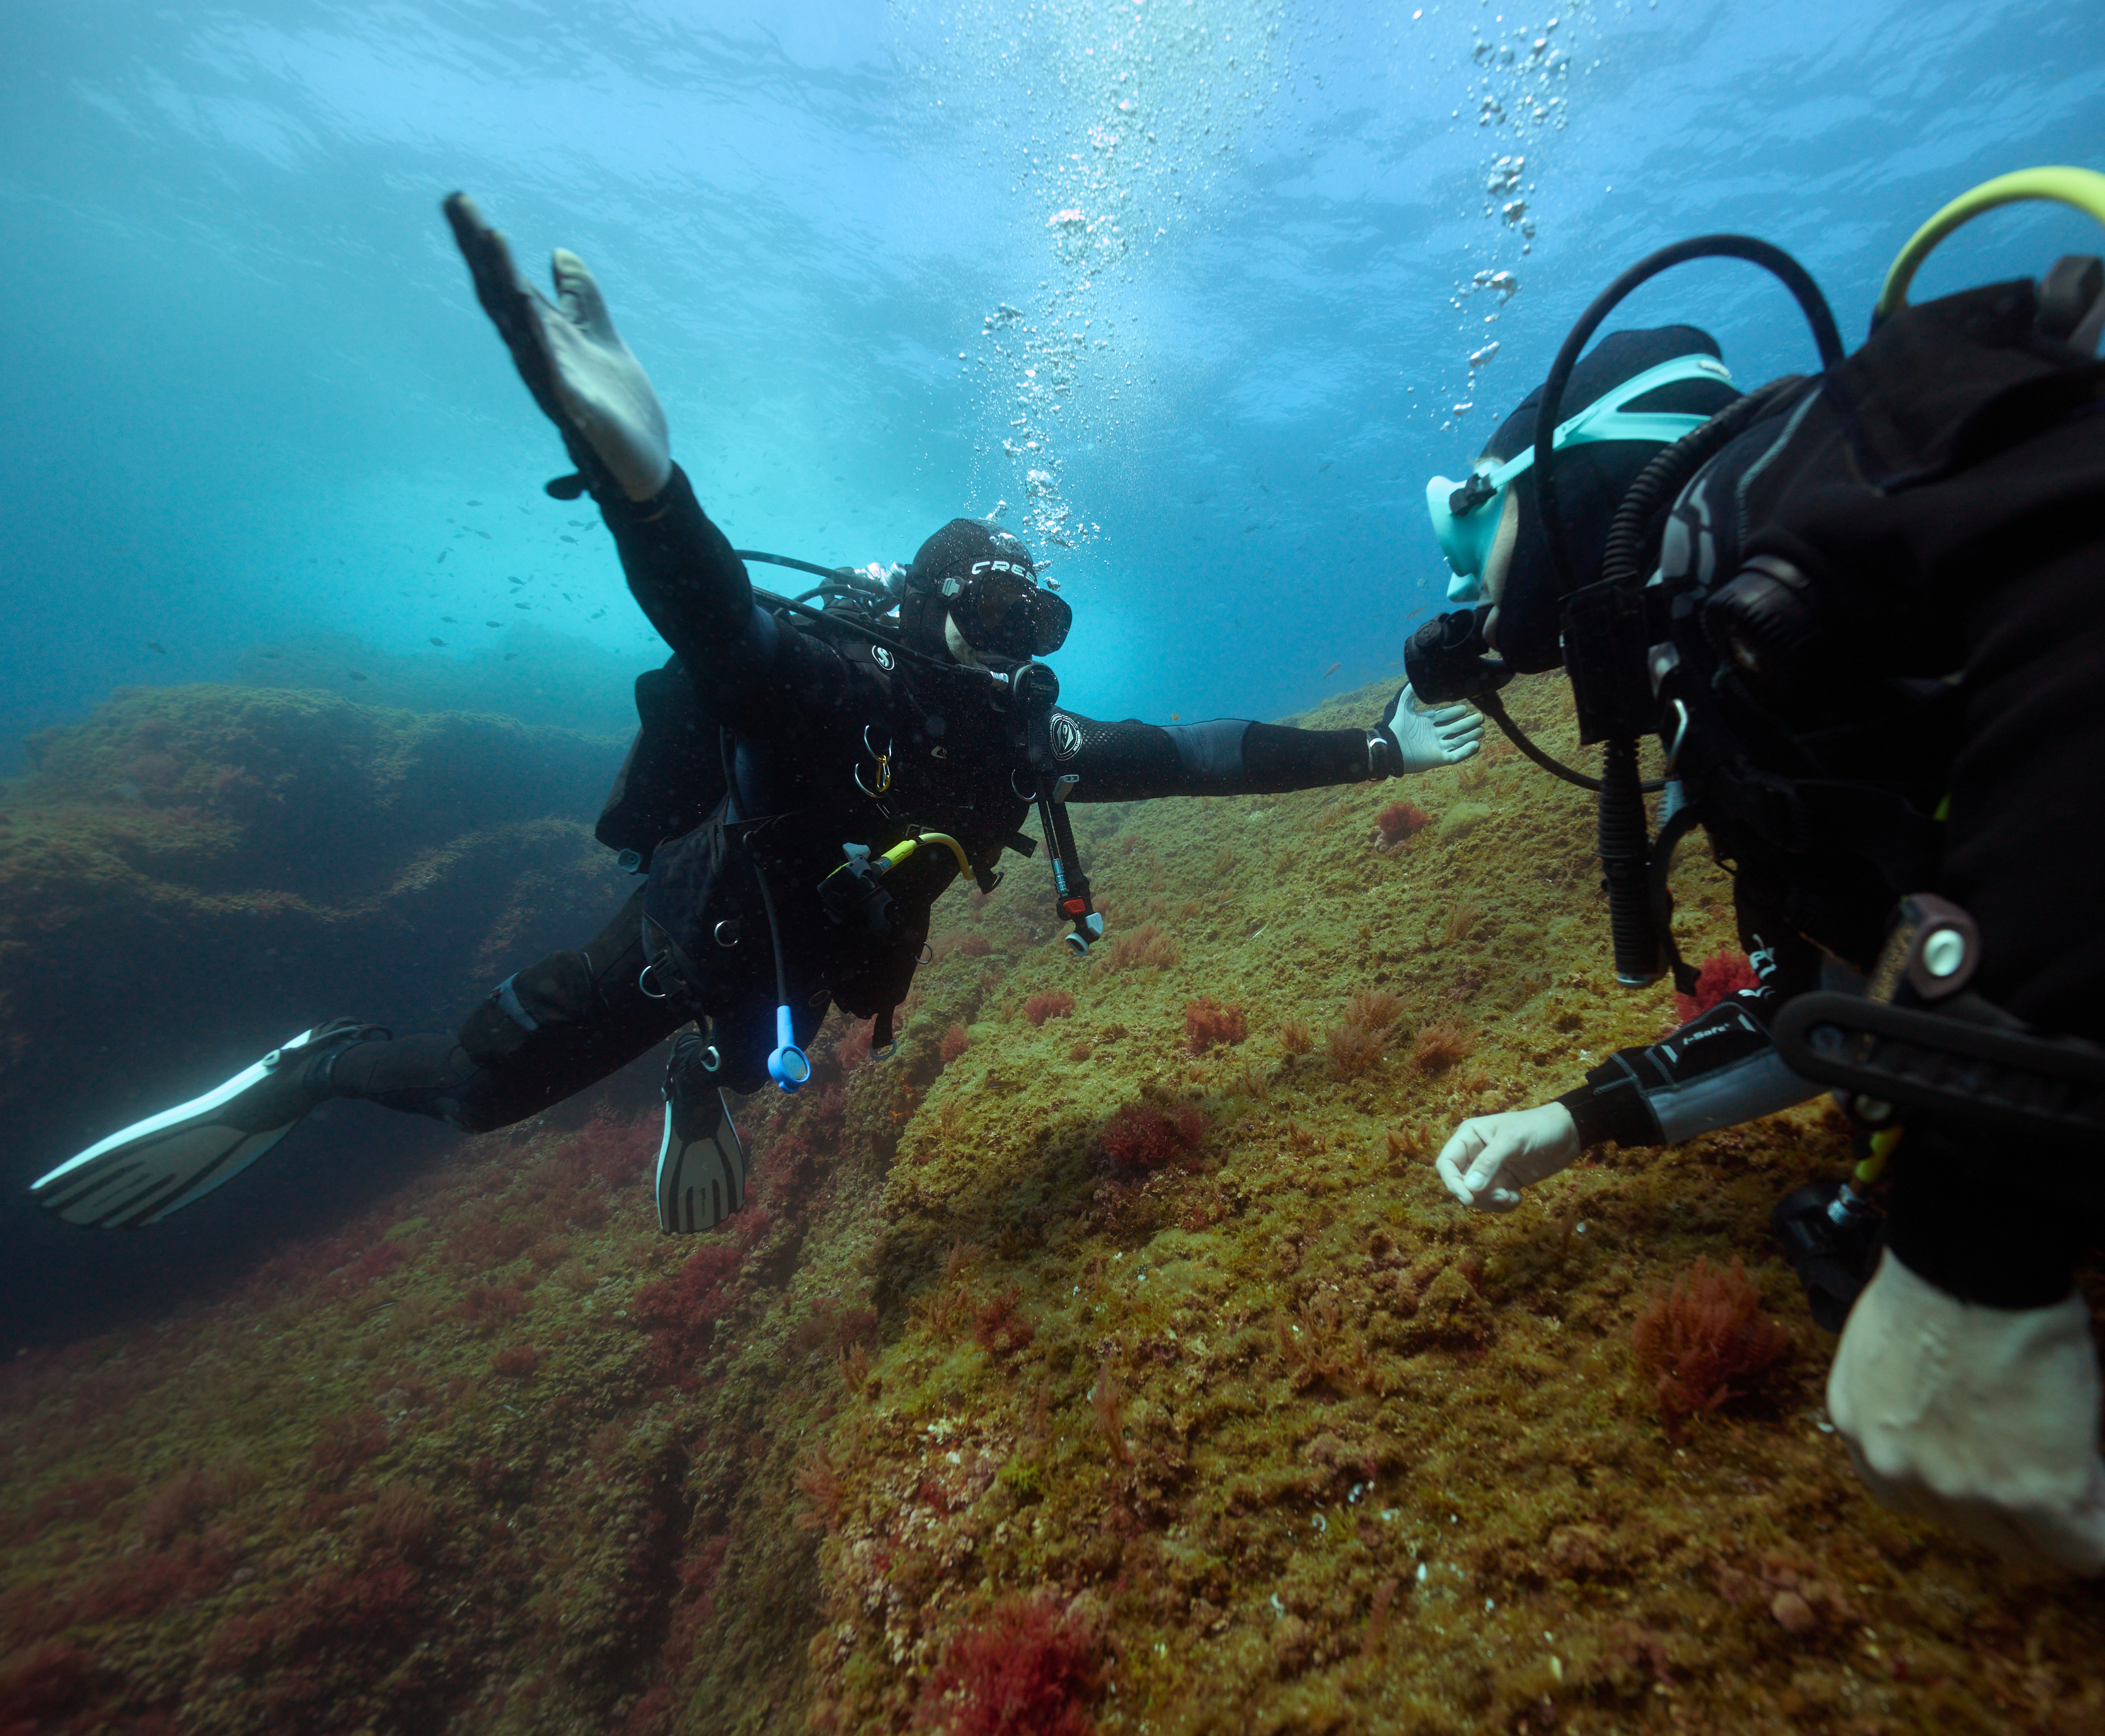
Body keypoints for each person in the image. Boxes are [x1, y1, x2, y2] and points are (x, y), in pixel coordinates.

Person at [31, 192, 1482, 1243]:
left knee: (769, 1033)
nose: (1009, 651)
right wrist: (643, 488)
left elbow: (1184, 759)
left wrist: (1375, 748)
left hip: (806, 975)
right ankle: (314, 1063)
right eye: (986, 617)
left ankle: (710, 1082)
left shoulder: (1009, 743)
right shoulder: (826, 678)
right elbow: (714, 616)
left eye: (1032, 628)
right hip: (690, 937)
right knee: (477, 1093)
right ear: (922, 610)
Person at [1412, 176, 2105, 1573]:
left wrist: (1977, 1248)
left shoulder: (1795, 476)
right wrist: (1584, 1115)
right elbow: (1838, 999)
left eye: (1462, 531)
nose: (1462, 597)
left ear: (1557, 473)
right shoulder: (1737, 629)